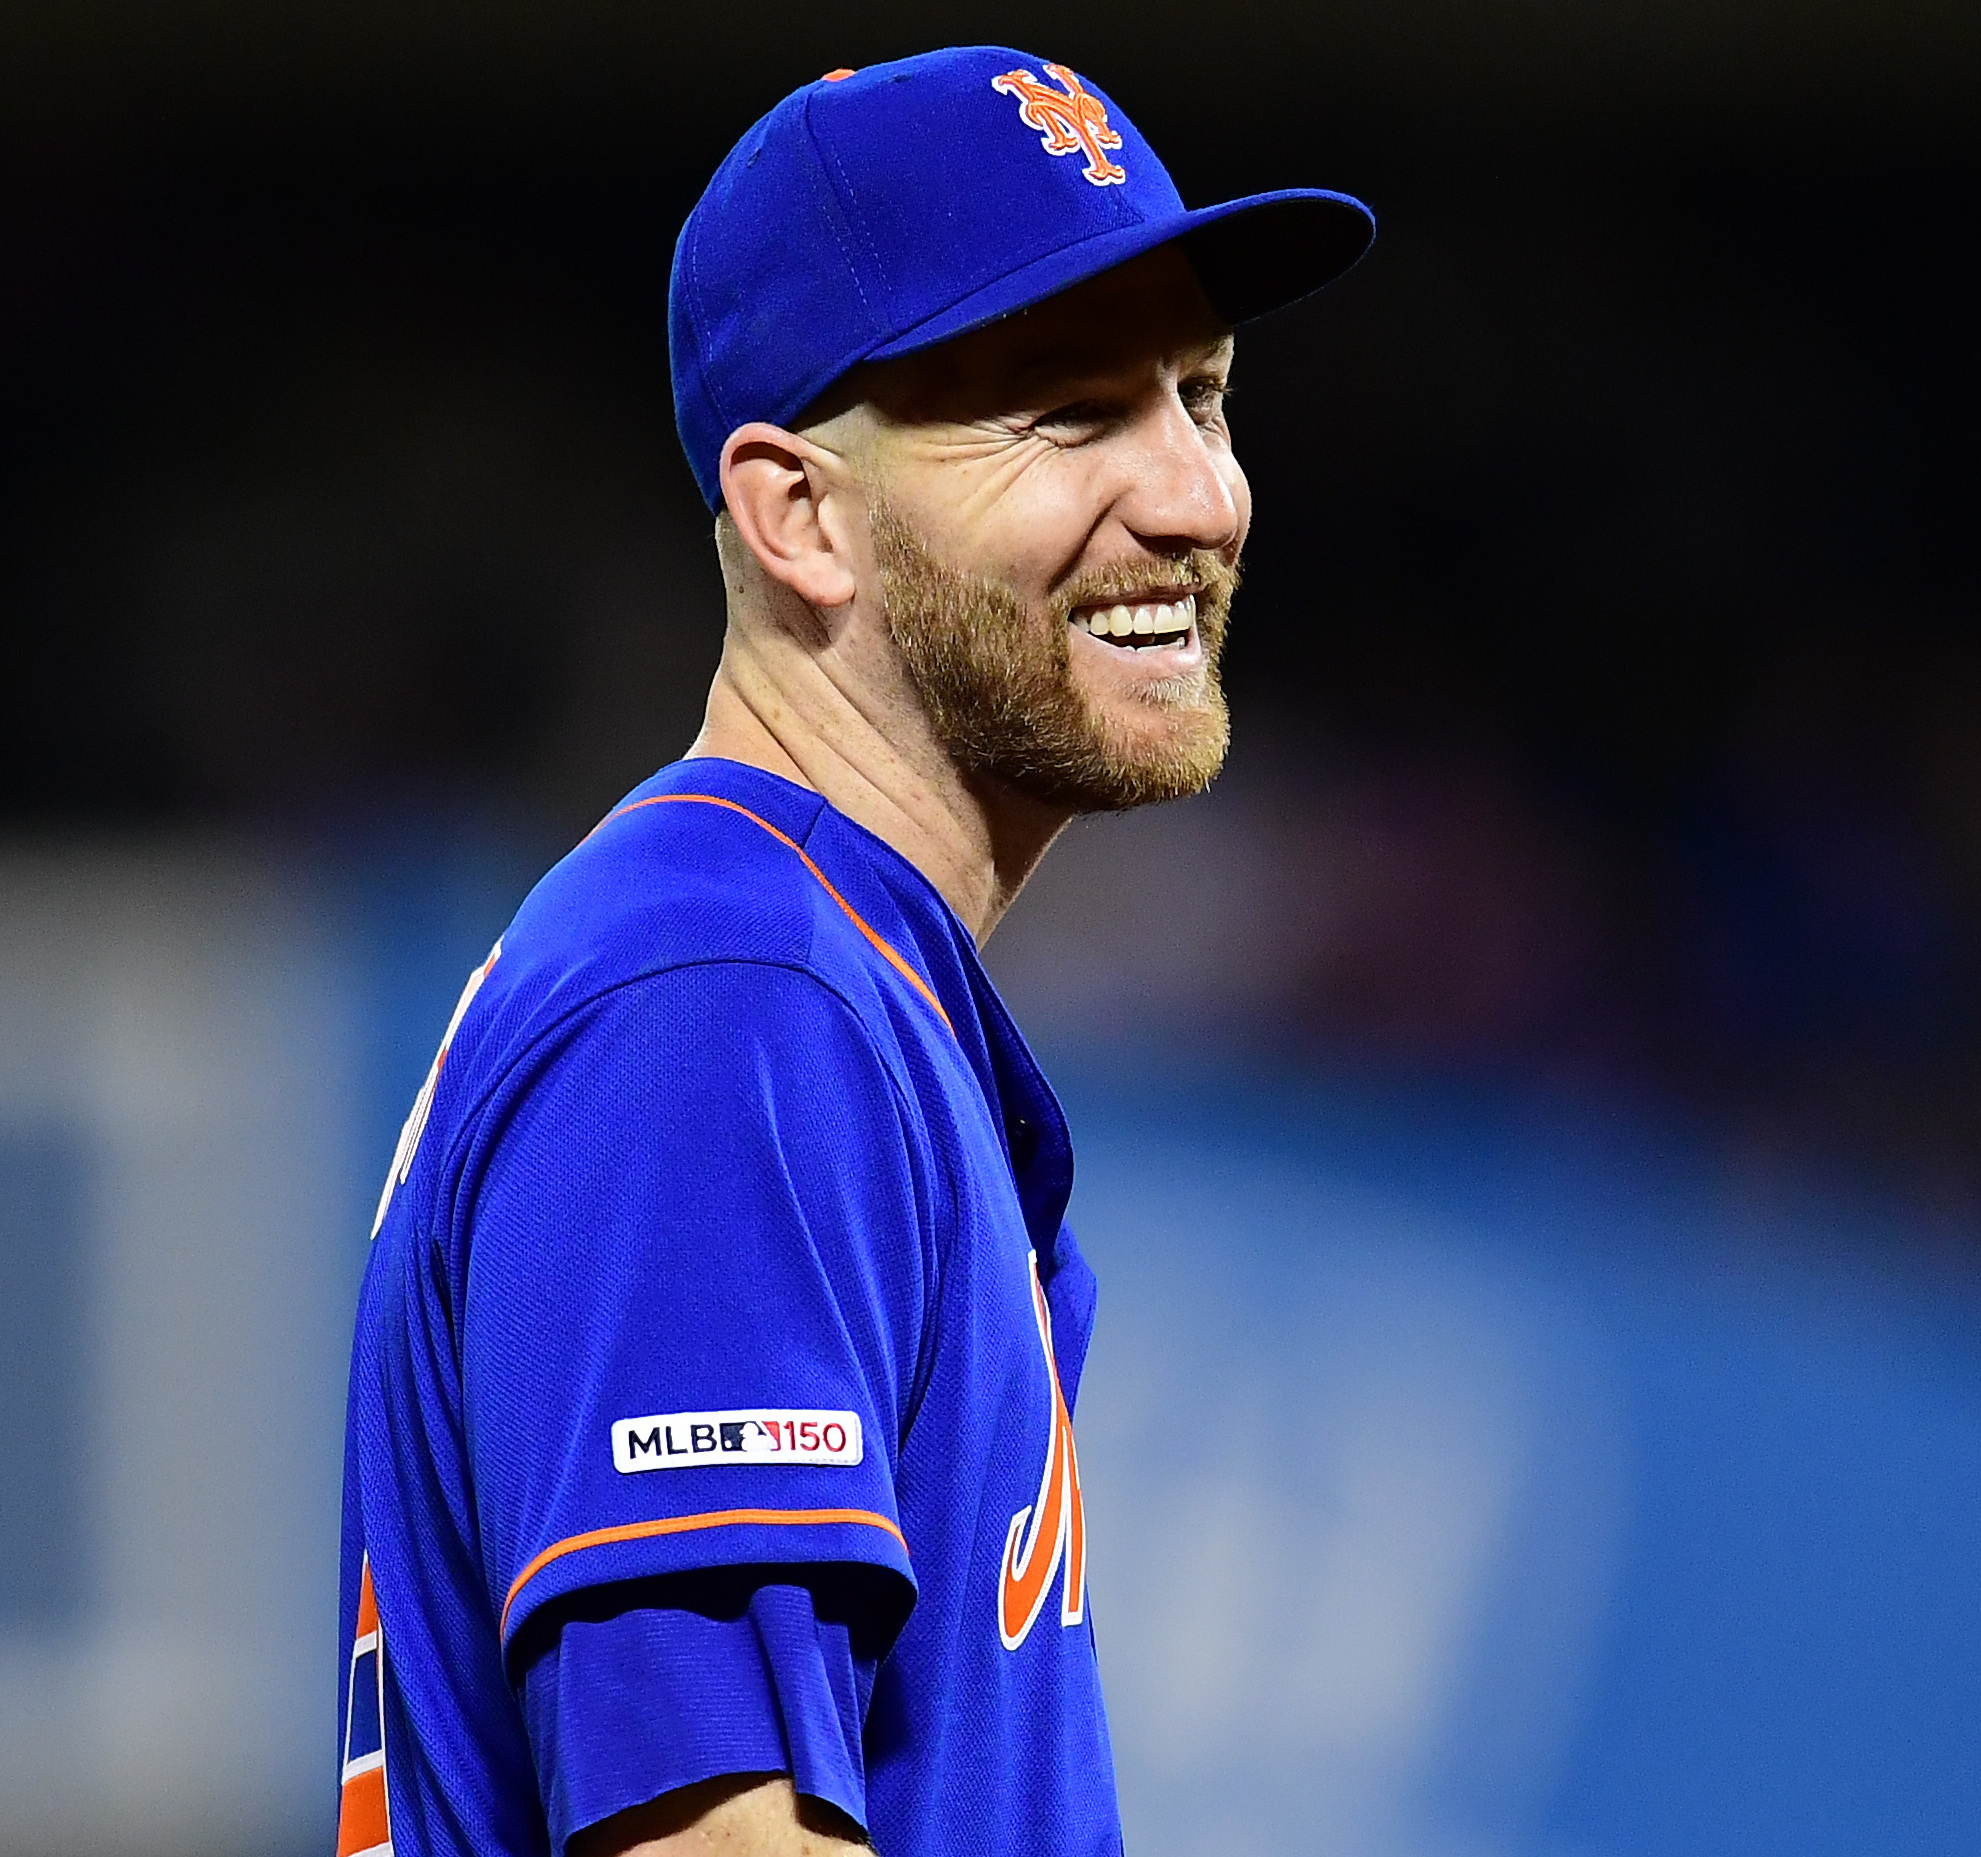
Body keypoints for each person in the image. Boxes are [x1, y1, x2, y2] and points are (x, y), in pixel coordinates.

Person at [333, 46, 1371, 1857]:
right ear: (799, 514)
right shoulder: (722, 998)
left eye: (1199, 396)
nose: (1196, 496)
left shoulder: (810, 980)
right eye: (1066, 414)